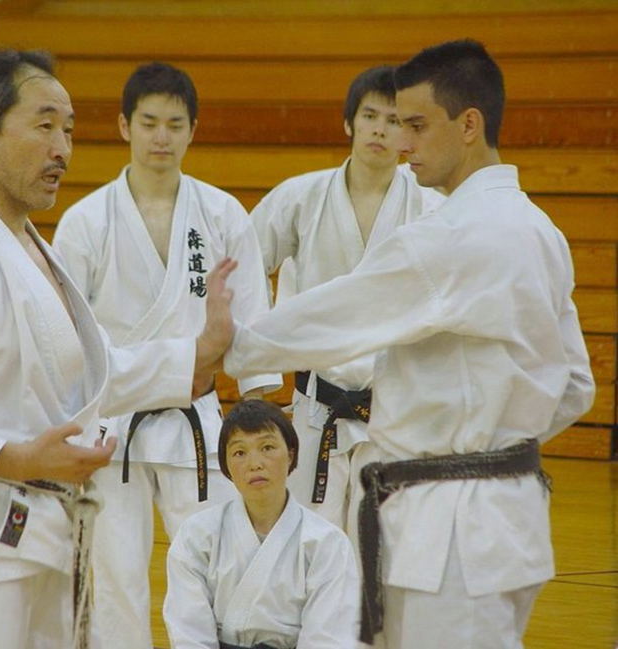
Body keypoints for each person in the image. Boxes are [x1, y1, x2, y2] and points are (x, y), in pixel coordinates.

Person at [217, 40, 595, 648]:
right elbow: (576, 387)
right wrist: (495, 445)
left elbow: (342, 312)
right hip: (509, 518)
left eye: (416, 125)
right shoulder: (540, 230)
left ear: (469, 124)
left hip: (446, 535)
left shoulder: (449, 234)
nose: (403, 143)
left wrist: (221, 350)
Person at [0, 49, 233, 649]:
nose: (63, 148)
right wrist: (21, 459)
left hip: (29, 538)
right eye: (44, 126)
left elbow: (83, 376)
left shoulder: (28, 246)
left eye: (69, 129)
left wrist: (197, 354)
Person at [52, 61, 281, 649]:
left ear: (192, 129)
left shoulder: (223, 213)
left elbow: (251, 321)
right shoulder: (85, 222)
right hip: (111, 425)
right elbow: (63, 335)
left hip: (194, 420)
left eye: (174, 124)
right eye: (148, 122)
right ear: (124, 126)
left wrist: (256, 414)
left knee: (212, 563)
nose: (161, 137)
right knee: (115, 576)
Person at [250, 65, 443, 533]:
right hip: (318, 409)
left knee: (381, 551)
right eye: (369, 115)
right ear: (348, 123)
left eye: (394, 120)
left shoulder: (430, 207)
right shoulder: (301, 197)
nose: (379, 128)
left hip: (395, 410)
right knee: (308, 547)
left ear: (408, 132)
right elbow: (241, 268)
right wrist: (258, 378)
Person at [164, 399, 359, 649]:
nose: (255, 463)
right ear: (226, 467)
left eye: (267, 447)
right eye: (239, 453)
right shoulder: (196, 536)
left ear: (290, 454)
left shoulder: (327, 543)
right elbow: (189, 633)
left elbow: (328, 638)